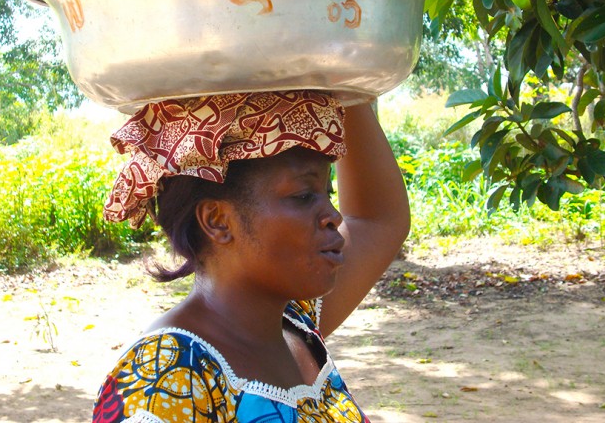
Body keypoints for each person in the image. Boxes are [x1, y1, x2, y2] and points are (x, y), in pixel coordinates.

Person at [93, 90, 410, 422]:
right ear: (218, 221)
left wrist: (342, 76)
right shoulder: (163, 380)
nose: (333, 215)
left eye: (326, 193)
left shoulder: (293, 322)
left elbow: (378, 218)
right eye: (304, 195)